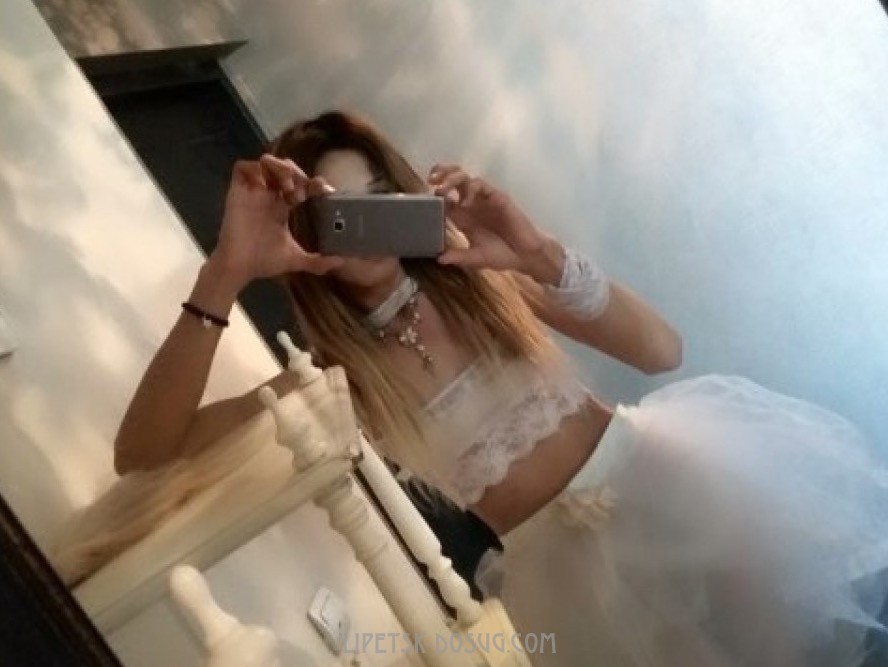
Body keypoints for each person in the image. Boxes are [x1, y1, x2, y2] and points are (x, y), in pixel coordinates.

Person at [110, 111, 888, 666]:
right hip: (565, 592)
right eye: (340, 212)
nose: (367, 221)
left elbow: (661, 351)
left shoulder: (485, 279)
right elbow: (144, 452)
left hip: (673, 490)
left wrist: (534, 249)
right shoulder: (339, 381)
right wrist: (227, 270)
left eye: (379, 194)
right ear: (308, 231)